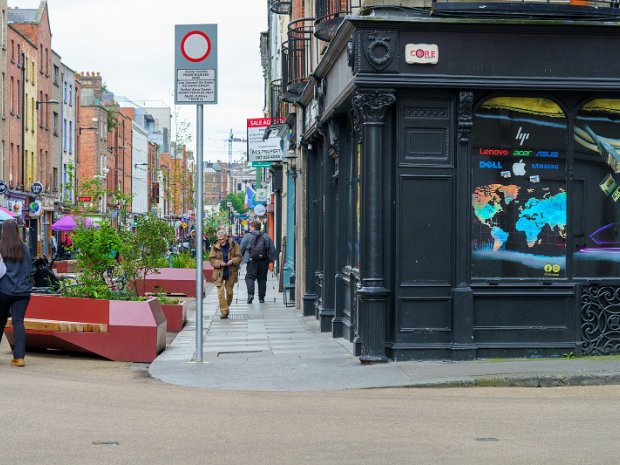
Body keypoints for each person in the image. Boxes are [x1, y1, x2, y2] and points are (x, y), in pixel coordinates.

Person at [0, 220, 33, 367]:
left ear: (3, 232)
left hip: (3, 291)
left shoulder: (1, 248)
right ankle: (19, 357)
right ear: (17, 231)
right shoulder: (25, 249)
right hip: (22, 292)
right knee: (18, 322)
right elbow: (29, 270)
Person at [240, 220, 277, 304]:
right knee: (262, 279)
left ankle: (250, 294)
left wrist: (240, 259)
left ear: (252, 227)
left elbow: (241, 248)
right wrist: (271, 260)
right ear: (260, 227)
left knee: (249, 277)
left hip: (251, 261)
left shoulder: (247, 236)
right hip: (263, 261)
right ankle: (261, 298)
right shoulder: (266, 236)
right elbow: (272, 250)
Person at [208, 229, 242, 319]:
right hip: (219, 273)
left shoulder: (234, 245)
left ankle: (225, 306)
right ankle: (224, 311)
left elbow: (239, 257)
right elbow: (211, 259)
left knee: (230, 293)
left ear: (226, 237)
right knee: (220, 293)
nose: (221, 241)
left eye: (222, 239)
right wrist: (219, 263)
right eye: (219, 239)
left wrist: (232, 261)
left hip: (231, 272)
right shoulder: (214, 247)